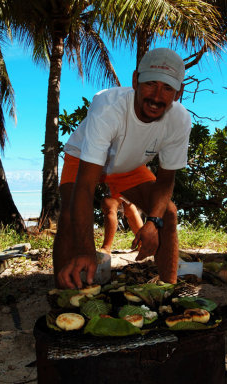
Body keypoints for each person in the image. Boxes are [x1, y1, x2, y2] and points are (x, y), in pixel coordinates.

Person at [53, 47, 191, 289]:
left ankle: (167, 292)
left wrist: (153, 222)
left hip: (128, 166)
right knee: (68, 215)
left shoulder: (179, 120)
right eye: (150, 84)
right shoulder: (108, 106)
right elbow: (85, 187)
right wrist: (86, 250)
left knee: (167, 212)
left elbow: (166, 179)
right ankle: (64, 295)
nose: (157, 97)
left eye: (167, 88)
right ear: (136, 80)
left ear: (178, 92)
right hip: (83, 158)